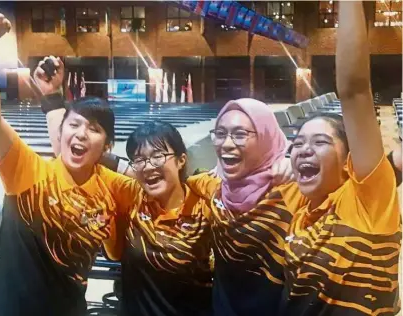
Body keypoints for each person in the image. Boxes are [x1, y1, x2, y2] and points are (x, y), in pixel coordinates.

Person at [34, 58, 296, 316]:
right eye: (140, 159)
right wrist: (53, 100)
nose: (149, 166)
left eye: (159, 156)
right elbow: (75, 157)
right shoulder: (132, 193)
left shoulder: (205, 196)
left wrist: (290, 163)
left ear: (181, 159)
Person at [0, 10, 136, 316]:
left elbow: (117, 246)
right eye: (74, 125)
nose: (81, 133)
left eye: (94, 129)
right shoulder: (28, 172)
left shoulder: (113, 189)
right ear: (63, 130)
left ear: (107, 145)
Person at [280, 2, 401, 315]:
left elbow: (354, 90)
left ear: (350, 162)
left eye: (320, 141)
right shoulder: (299, 206)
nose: (303, 149)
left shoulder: (366, 203)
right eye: (298, 142)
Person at [186, 98, 307, 316]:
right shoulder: (214, 187)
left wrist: (296, 163)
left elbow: (351, 180)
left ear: (265, 138)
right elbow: (176, 178)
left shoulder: (294, 191)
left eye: (240, 135)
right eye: (220, 134)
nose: (227, 144)